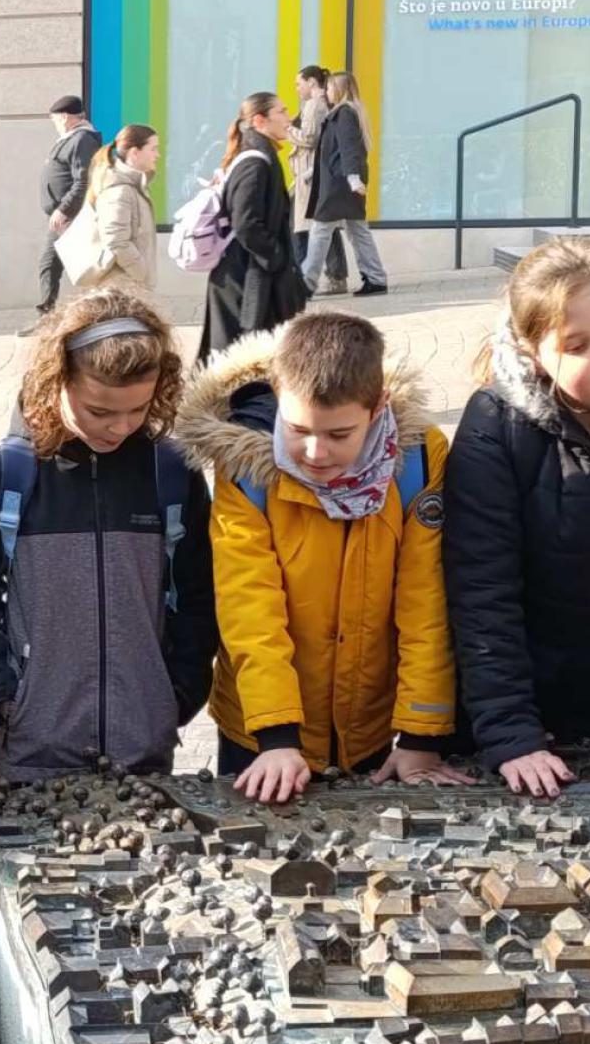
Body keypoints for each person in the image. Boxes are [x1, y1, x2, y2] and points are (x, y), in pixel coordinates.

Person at [176, 311, 469, 804]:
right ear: (277, 393)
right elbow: (249, 607)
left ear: (378, 407)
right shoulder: (245, 468)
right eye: (298, 429)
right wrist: (277, 736)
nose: (315, 453)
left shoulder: (419, 459)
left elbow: (426, 601)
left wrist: (421, 734)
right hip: (259, 730)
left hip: (370, 722)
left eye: (339, 434)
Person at [0, 289, 217, 779]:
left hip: (144, 747)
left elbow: (198, 596)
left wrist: (176, 694)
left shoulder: (173, 474)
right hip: (31, 749)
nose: (120, 427)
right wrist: (1, 696)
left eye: (139, 409)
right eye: (100, 411)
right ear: (57, 379)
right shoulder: (5, 475)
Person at [445, 236, 590, 797]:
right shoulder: (495, 425)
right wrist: (510, 733)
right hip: (534, 717)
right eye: (576, 345)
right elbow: (483, 591)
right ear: (533, 353)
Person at [203, 91, 306, 362]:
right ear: (260, 121)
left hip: (249, 273)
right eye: (281, 112)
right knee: (236, 360)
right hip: (244, 277)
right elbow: (246, 222)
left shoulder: (258, 155)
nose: (288, 118)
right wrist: (276, 257)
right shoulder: (255, 162)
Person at [302, 71, 387, 297]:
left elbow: (349, 149)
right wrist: (314, 171)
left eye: (330, 87)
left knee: (320, 231)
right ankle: (376, 278)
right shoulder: (348, 112)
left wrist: (353, 178)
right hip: (346, 183)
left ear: (339, 90)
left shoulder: (344, 113)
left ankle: (306, 283)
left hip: (339, 185)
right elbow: (337, 151)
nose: (326, 92)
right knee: (357, 231)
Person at [31, 95, 103, 321]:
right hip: (62, 217)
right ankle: (48, 318)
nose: (54, 124)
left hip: (70, 217)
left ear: (64, 117)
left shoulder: (82, 139)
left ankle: (52, 318)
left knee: (72, 266)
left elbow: (83, 181)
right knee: (52, 266)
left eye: (54, 119)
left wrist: (64, 210)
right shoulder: (70, 138)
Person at [291, 65, 349, 296]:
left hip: (309, 176)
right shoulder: (315, 104)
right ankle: (332, 277)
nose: (297, 89)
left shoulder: (315, 105)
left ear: (312, 82)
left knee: (307, 229)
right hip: (310, 175)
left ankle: (305, 281)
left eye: (299, 84)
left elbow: (309, 138)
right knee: (322, 226)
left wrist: (286, 130)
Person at [87, 123, 160, 296]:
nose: (157, 155)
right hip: (123, 289)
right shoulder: (119, 190)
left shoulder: (133, 185)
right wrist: (141, 273)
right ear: (134, 152)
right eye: (153, 149)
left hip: (130, 287)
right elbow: (116, 241)